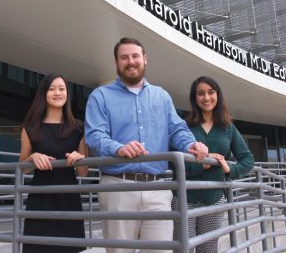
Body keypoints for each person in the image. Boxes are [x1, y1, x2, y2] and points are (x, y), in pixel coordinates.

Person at [84, 37, 209, 253]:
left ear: (145, 59)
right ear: (116, 62)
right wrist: (118, 148)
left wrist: (191, 144)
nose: (130, 61)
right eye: (124, 57)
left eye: (135, 56)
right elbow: (95, 136)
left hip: (158, 190)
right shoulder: (100, 96)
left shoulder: (162, 96)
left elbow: (176, 129)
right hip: (118, 188)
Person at [173, 76, 255, 253]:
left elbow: (247, 160)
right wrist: (202, 164)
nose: (206, 97)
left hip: (214, 200)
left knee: (208, 249)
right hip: (184, 198)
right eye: (200, 93)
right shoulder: (184, 126)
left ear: (218, 95)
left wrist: (230, 168)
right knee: (182, 249)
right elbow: (173, 162)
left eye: (211, 92)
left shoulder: (228, 128)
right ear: (195, 98)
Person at [19, 73, 88, 253]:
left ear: (67, 94)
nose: (57, 93)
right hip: (40, 201)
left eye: (61, 89)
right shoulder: (30, 128)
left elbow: (83, 172)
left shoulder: (79, 127)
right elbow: (22, 170)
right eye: (52, 89)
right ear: (43, 94)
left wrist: (79, 158)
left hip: (69, 200)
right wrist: (32, 157)